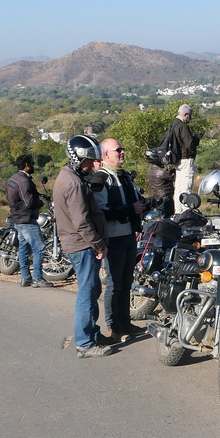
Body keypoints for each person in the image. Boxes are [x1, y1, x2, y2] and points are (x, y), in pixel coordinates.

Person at [56, 134, 113, 359]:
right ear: (77, 159)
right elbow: (81, 222)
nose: (93, 164)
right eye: (89, 160)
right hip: (82, 245)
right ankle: (84, 343)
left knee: (92, 290)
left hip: (78, 243)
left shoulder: (68, 176)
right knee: (87, 295)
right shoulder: (74, 183)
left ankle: (91, 333)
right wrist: (98, 245)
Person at [94, 139, 147, 341]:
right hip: (113, 238)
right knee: (114, 284)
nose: (122, 152)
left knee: (126, 282)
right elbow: (101, 211)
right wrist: (130, 209)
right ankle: (112, 327)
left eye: (122, 148)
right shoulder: (100, 178)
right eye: (118, 150)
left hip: (129, 236)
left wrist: (147, 204)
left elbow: (135, 202)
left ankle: (125, 323)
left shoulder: (125, 176)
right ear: (106, 155)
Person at [6, 155, 50, 288]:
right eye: (32, 163)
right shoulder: (24, 181)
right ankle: (37, 278)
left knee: (23, 249)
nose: (33, 165)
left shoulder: (13, 179)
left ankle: (25, 278)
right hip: (27, 219)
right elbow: (28, 202)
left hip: (17, 218)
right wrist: (40, 202)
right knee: (40, 248)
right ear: (27, 165)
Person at [167, 104, 201, 213]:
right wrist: (197, 138)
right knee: (186, 187)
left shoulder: (173, 124)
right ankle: (186, 212)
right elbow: (189, 143)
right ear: (186, 115)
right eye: (189, 116)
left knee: (179, 188)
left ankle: (178, 212)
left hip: (177, 160)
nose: (190, 118)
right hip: (186, 159)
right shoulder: (182, 126)